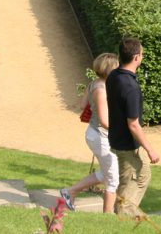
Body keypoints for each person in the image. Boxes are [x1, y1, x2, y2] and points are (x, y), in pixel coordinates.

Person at [106, 37, 159, 217]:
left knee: (130, 178)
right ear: (136, 57)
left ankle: (122, 211)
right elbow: (134, 125)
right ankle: (124, 214)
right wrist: (150, 150)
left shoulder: (114, 76)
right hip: (126, 144)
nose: (142, 57)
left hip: (116, 138)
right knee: (138, 177)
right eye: (142, 54)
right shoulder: (131, 87)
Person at [60, 53, 120, 213]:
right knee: (113, 180)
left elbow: (82, 105)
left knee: (107, 173)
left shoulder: (94, 83)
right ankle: (107, 217)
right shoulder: (101, 90)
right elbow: (104, 121)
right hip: (101, 136)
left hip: (94, 134)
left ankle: (70, 191)